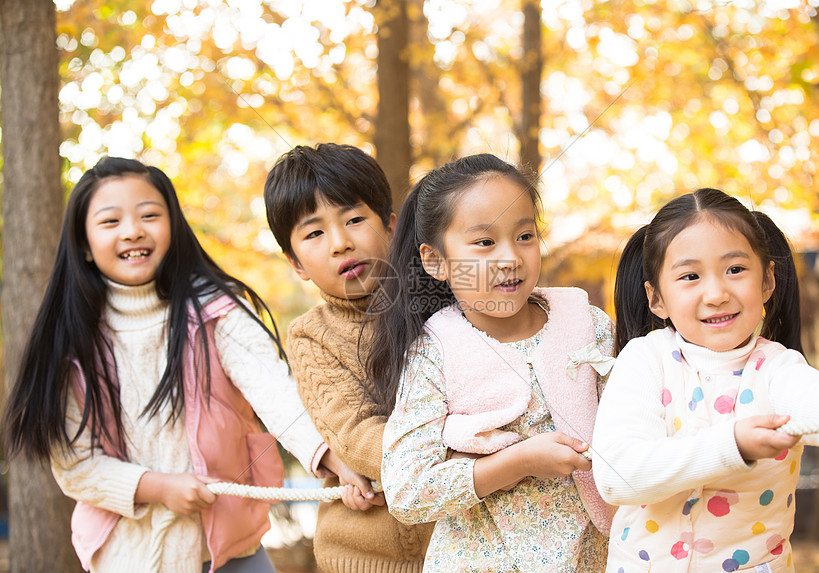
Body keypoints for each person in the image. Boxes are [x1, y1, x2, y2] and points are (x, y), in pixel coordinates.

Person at [2, 156, 362, 573]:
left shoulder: (217, 309)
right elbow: (75, 466)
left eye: (149, 215)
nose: (133, 230)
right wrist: (158, 487)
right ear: (83, 243)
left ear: (172, 226)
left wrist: (335, 461)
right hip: (126, 557)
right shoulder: (70, 341)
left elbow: (277, 393)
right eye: (110, 221)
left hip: (231, 553)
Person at [364, 153, 616, 572]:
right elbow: (407, 490)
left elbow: (631, 429)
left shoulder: (587, 323)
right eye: (484, 242)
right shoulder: (435, 351)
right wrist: (518, 462)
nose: (510, 258)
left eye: (525, 236)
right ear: (435, 260)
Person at [592, 187, 819, 572]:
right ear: (657, 299)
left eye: (735, 269)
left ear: (767, 281)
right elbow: (618, 477)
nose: (716, 293)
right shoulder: (644, 360)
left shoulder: (777, 369)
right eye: (690, 276)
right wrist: (731, 445)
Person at [263, 143, 433, 573]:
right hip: (366, 555)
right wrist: (465, 452)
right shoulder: (310, 337)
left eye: (355, 220)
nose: (341, 243)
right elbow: (357, 435)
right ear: (295, 262)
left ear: (391, 227)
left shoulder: (438, 303)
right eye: (314, 233)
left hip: (460, 547)